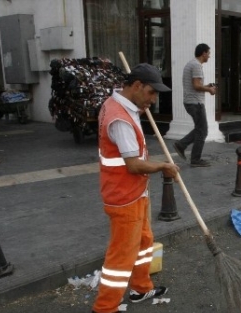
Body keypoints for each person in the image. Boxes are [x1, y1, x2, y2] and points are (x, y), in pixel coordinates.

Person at [92, 63, 179, 313]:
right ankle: (105, 307)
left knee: (144, 241)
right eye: (151, 93)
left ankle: (141, 288)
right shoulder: (120, 119)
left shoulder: (121, 106)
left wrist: (139, 109)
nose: (154, 99)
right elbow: (133, 165)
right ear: (137, 86)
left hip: (136, 192)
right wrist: (163, 167)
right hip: (124, 196)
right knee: (121, 256)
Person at [172, 43, 216, 167]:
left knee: (200, 129)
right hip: (195, 103)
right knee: (202, 131)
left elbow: (195, 85)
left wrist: (207, 86)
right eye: (209, 53)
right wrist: (210, 90)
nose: (209, 56)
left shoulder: (192, 64)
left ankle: (181, 145)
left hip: (191, 101)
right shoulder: (196, 65)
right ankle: (195, 159)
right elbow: (196, 86)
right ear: (203, 53)